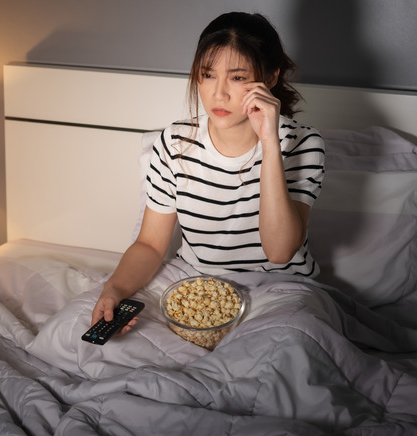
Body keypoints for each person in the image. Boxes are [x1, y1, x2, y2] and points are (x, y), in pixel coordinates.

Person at [90, 12, 325, 335]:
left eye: (237, 77)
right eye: (208, 75)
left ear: (271, 77)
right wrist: (113, 290)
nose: (219, 93)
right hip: (195, 286)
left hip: (279, 290)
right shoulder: (175, 142)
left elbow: (280, 252)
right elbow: (151, 245)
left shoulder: (303, 143)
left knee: (286, 348)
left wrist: (270, 144)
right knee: (77, 328)